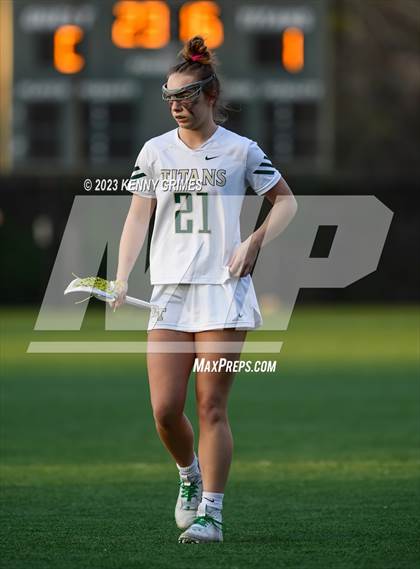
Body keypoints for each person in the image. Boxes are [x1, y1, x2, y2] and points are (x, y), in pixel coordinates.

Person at [111, 36, 297, 543]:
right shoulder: (155, 152)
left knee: (211, 405)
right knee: (165, 410)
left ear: (210, 95)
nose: (176, 105)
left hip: (223, 291)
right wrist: (123, 275)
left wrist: (253, 241)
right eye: (169, 97)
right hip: (170, 294)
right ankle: (189, 474)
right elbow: (137, 217)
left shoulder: (241, 150)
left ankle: (211, 514)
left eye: (186, 96)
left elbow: (287, 203)